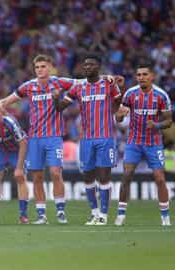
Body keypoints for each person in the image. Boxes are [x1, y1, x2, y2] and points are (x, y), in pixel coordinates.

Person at [1, 54, 82, 225]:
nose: (40, 70)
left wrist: (105, 78)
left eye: (43, 66)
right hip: (35, 138)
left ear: (50, 67)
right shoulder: (28, 87)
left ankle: (60, 212)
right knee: (37, 177)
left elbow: (84, 82)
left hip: (54, 137)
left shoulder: (59, 82)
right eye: (37, 67)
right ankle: (41, 215)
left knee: (55, 173)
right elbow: (6, 101)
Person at [53, 55, 121, 225]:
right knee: (88, 177)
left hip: (105, 138)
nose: (87, 67)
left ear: (99, 67)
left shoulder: (108, 84)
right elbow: (61, 107)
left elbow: (121, 102)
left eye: (91, 64)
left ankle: (104, 215)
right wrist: (56, 98)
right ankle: (94, 213)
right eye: (85, 65)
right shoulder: (79, 87)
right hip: (86, 140)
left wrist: (117, 83)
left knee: (104, 176)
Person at [114, 64, 173, 226]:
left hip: (153, 143)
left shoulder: (161, 95)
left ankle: (165, 217)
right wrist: (119, 116)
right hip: (134, 141)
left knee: (159, 178)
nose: (141, 77)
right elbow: (119, 119)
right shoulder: (130, 94)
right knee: (126, 175)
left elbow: (169, 120)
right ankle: (120, 216)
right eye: (138, 74)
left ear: (152, 76)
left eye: (144, 74)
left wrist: (157, 125)